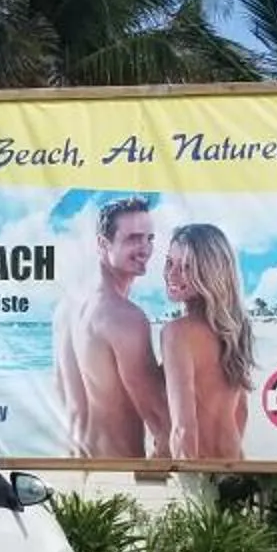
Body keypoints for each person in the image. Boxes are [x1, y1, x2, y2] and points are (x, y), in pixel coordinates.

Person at [52, 195, 170, 458]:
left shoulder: (66, 309)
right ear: (102, 244)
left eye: (149, 238)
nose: (145, 249)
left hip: (74, 469)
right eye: (133, 239)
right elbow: (162, 422)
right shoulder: (124, 317)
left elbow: (63, 393)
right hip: (119, 474)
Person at [160, 223, 255, 460]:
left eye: (187, 267)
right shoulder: (236, 328)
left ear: (211, 272)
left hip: (199, 471)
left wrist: (189, 481)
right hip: (234, 464)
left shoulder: (177, 333)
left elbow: (184, 429)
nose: (172, 274)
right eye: (169, 262)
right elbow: (241, 412)